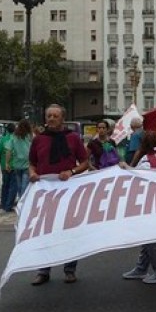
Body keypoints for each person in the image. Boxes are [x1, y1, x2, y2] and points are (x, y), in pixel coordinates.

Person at [28, 104, 89, 286]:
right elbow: (32, 162)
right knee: (45, 230)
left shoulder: (73, 138)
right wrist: (32, 173)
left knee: (68, 230)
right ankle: (43, 270)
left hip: (69, 191)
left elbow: (85, 162)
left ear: (62, 118)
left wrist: (71, 171)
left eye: (55, 116)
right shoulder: (38, 140)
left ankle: (70, 269)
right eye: (49, 116)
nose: (51, 119)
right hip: (45, 192)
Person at [121, 131, 156, 284]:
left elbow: (139, 175)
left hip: (150, 202)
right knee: (147, 235)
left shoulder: (146, 159)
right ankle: (141, 267)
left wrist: (125, 167)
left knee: (151, 236)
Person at [5, 119, 33, 200]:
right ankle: (23, 202)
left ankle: (21, 201)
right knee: (24, 186)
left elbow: (8, 150)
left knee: (20, 186)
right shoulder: (31, 136)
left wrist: (7, 163)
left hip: (17, 164)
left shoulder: (14, 137)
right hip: (28, 164)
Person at [0, 123, 17, 211]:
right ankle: (9, 205)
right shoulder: (16, 139)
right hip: (15, 166)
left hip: (4, 166)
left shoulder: (2, 140)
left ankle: (4, 204)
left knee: (5, 186)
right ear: (14, 130)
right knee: (13, 187)